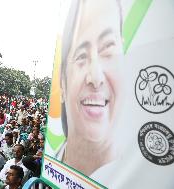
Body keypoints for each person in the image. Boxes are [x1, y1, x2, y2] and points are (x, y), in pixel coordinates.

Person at [56, 0, 125, 176]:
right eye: (80, 55)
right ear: (62, 82)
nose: (95, 77)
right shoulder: (50, 170)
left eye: (108, 48)